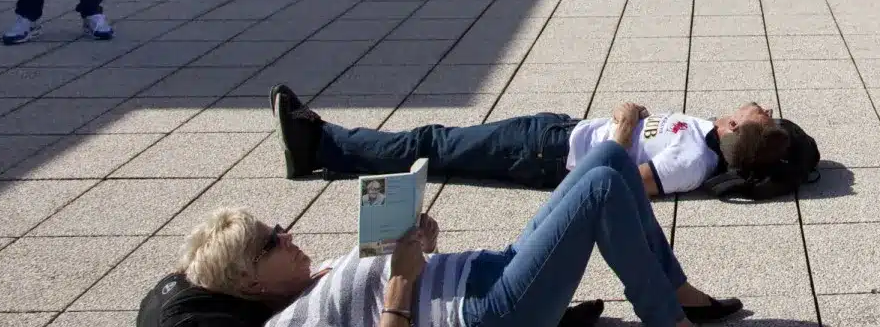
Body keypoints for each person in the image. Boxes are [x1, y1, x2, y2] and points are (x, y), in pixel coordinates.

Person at [159, 108, 748, 327]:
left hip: (486, 273)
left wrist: (421, 247)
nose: (286, 234)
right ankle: (666, 315)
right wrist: (402, 280)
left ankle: (677, 290)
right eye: (269, 241)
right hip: (489, 313)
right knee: (598, 185)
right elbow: (397, 301)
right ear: (251, 282)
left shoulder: (308, 282)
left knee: (609, 159)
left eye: (276, 227)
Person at [272, 83, 788, 199]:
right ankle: (326, 145)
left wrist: (626, 123)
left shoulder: (692, 162)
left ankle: (319, 144)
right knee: (441, 143)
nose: (759, 105)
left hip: (545, 155)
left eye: (759, 113)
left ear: (735, 129)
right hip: (555, 133)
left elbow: (619, 182)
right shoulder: (705, 139)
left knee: (435, 143)